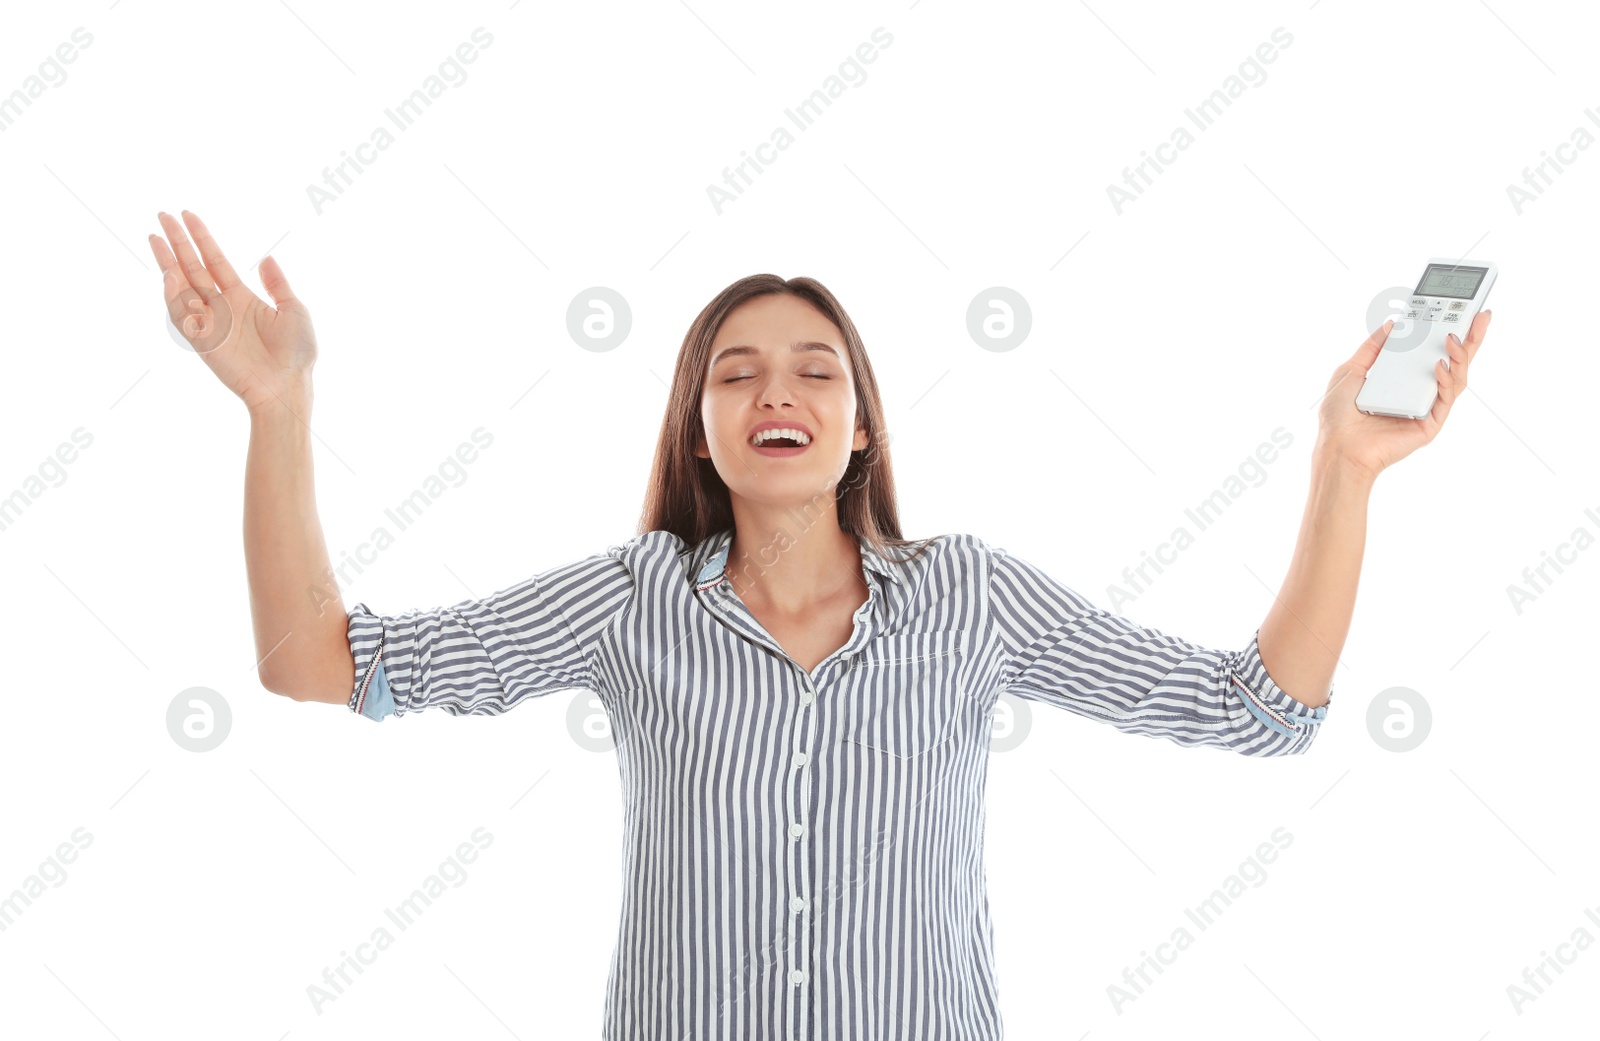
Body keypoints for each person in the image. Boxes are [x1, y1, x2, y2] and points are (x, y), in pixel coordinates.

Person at [150, 209, 1490, 1040]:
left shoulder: (968, 597)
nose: (774, 390)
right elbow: (321, 664)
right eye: (735, 372)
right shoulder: (628, 602)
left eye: (816, 370)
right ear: (703, 427)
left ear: (859, 426)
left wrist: (1346, 467)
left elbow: (1261, 709)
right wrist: (279, 411)